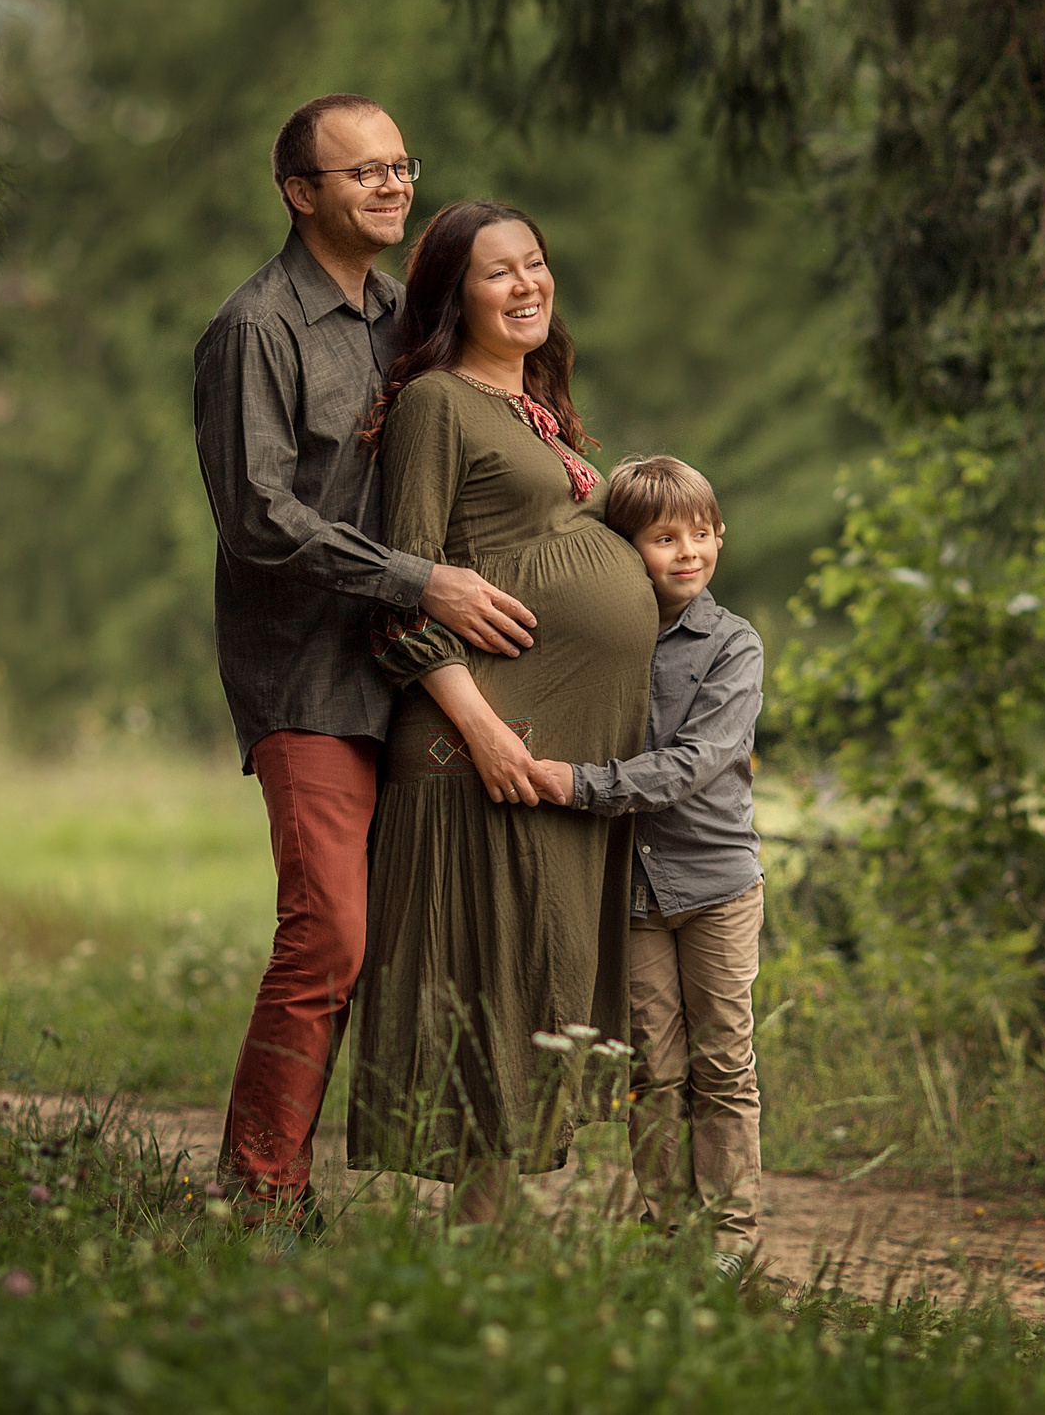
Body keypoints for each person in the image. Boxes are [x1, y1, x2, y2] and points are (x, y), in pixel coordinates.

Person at [191, 96, 540, 1231]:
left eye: (401, 168)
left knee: (445, 927)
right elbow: (255, 516)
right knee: (330, 928)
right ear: (301, 192)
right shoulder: (257, 330)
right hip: (310, 676)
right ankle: (262, 1192)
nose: (392, 189)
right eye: (362, 175)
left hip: (424, 667)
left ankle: (480, 1197)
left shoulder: (408, 314)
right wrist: (415, 580)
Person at [349, 200, 659, 1221]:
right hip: (483, 745)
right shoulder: (438, 402)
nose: (527, 283)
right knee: (493, 981)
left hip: (559, 759)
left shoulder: (538, 402)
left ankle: (490, 1250)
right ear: (452, 294)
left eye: (536, 261)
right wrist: (482, 731)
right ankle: (477, 1255)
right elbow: (401, 594)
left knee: (542, 978)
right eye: (497, 272)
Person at [531, 456, 767, 1278]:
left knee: (724, 1060)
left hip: (715, 886)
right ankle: (669, 1232)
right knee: (654, 1069)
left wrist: (577, 785)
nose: (688, 552)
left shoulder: (733, 644)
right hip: (628, 889)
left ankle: (732, 1236)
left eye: (701, 534)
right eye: (664, 538)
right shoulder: (606, 641)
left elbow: (696, 760)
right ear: (623, 550)